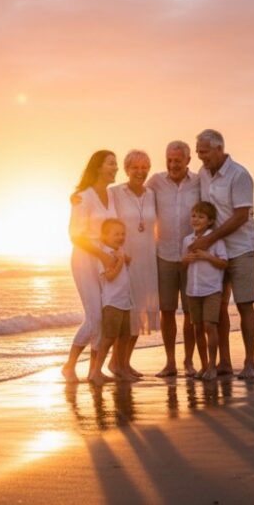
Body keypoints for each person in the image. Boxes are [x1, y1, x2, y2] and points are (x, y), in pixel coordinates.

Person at [191, 129, 254, 380]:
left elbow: (241, 216)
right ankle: (225, 362)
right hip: (215, 250)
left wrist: (209, 238)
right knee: (218, 307)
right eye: (198, 152)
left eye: (204, 152)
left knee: (244, 305)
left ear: (219, 149)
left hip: (242, 248)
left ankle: (250, 363)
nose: (201, 157)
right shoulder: (203, 174)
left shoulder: (239, 175)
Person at [61, 150, 118, 383]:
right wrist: (101, 256)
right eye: (111, 164)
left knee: (106, 315)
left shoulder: (112, 195)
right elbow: (75, 235)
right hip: (86, 257)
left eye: (116, 164)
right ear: (98, 168)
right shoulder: (83, 197)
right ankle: (69, 365)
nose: (116, 168)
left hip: (107, 257)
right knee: (94, 316)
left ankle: (95, 370)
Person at [146, 141, 201, 377]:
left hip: (191, 256)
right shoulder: (156, 182)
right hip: (164, 255)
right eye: (169, 159)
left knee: (191, 312)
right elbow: (133, 194)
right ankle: (170, 363)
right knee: (167, 311)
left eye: (178, 160)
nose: (173, 164)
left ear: (188, 160)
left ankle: (188, 362)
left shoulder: (199, 182)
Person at [111, 150, 159, 377]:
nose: (140, 172)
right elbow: (100, 211)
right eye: (135, 167)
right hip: (125, 260)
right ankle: (116, 364)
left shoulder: (152, 194)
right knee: (124, 315)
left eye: (144, 167)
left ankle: (124, 363)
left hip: (147, 260)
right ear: (126, 169)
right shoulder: (115, 193)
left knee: (138, 313)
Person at [181, 201, 228, 381]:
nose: (196, 219)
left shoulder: (216, 239)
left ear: (210, 221)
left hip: (211, 289)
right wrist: (187, 259)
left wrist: (207, 256)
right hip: (193, 290)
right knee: (197, 328)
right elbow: (182, 263)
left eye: (201, 216)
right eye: (193, 215)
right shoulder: (187, 240)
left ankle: (212, 366)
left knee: (210, 325)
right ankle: (202, 366)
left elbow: (224, 263)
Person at [89, 219, 137, 386]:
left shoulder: (119, 251)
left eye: (123, 234)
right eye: (116, 234)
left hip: (125, 301)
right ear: (105, 236)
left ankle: (121, 368)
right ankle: (96, 372)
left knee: (125, 337)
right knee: (109, 338)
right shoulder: (105, 254)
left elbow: (124, 268)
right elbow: (109, 277)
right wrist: (121, 261)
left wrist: (125, 259)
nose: (120, 237)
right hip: (112, 303)